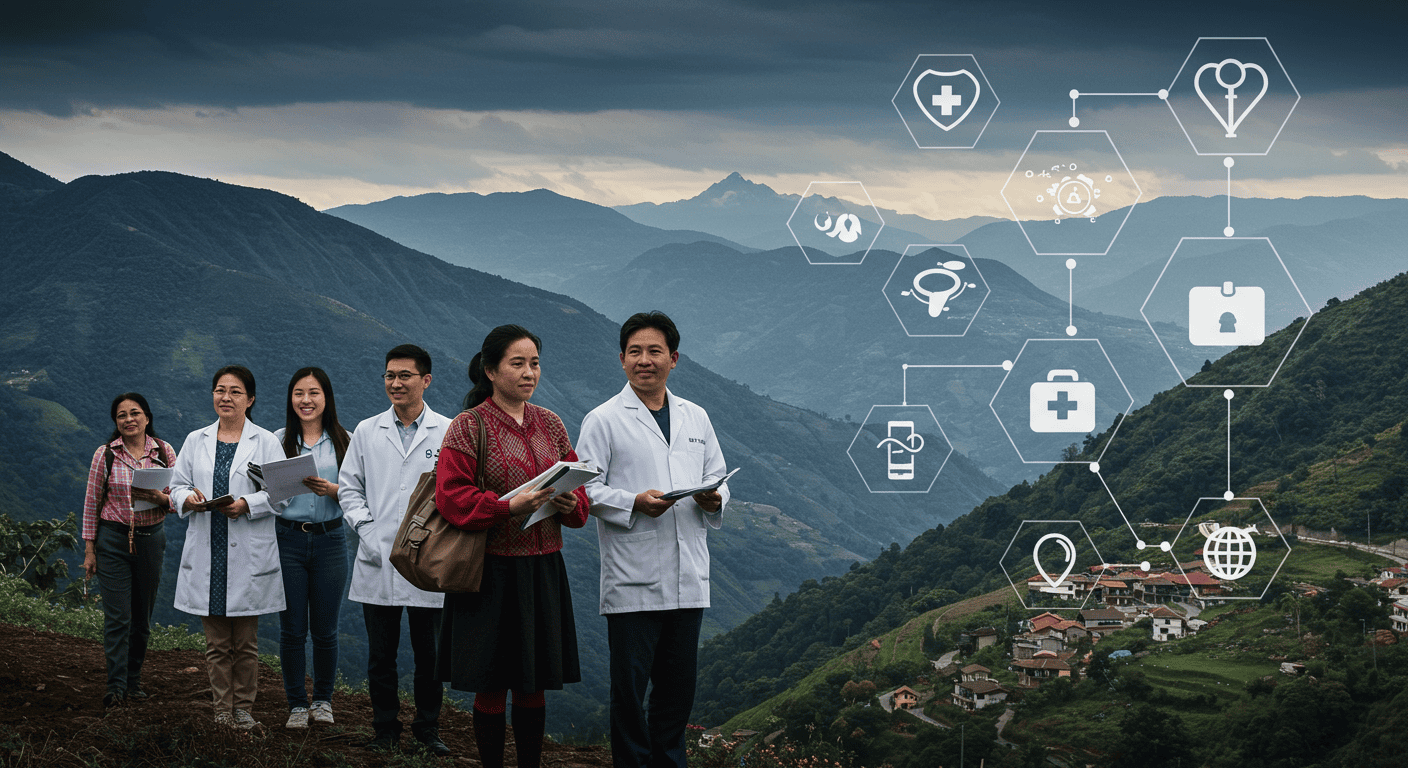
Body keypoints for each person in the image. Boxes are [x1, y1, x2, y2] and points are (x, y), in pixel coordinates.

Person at [576, 311, 731, 768]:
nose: (645, 360)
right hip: (633, 578)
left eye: (655, 351)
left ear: (674, 359)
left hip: (689, 575)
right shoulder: (603, 420)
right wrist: (633, 502)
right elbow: (584, 489)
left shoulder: (695, 416)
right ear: (622, 360)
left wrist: (713, 498)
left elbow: (718, 477)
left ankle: (670, 761)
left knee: (678, 686)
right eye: (635, 352)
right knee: (630, 688)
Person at [435, 325, 590, 768]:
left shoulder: (552, 423)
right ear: (490, 370)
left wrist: (568, 500)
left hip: (543, 567)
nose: (529, 373)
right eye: (517, 363)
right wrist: (507, 507)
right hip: (490, 571)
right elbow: (451, 496)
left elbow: (579, 499)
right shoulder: (469, 427)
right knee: (492, 682)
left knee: (533, 681)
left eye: (535, 363)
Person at [339, 344, 452, 755]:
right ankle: (385, 729)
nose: (396, 383)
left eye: (405, 375)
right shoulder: (368, 431)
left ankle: (428, 729)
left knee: (430, 655)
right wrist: (367, 530)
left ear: (426, 380)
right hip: (378, 554)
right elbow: (349, 489)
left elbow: (457, 493)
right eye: (389, 375)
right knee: (381, 656)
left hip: (429, 558)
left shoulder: (449, 430)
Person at [169, 365, 287, 730]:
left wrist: (247, 505)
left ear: (250, 399)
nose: (226, 397)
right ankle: (222, 708)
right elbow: (176, 485)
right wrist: (187, 498)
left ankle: (244, 709)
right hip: (209, 547)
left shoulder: (266, 442)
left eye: (235, 392)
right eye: (220, 390)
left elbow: (281, 496)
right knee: (217, 643)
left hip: (246, 550)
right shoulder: (196, 440)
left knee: (246, 644)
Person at [81, 392, 179, 709]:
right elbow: (92, 504)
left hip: (152, 538)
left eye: (135, 413)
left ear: (147, 417)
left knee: (142, 617)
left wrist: (159, 497)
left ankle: (133, 681)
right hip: (113, 539)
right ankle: (115, 686)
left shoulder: (164, 452)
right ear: (116, 423)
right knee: (118, 618)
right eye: (121, 415)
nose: (129, 419)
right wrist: (90, 551)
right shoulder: (105, 455)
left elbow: (180, 499)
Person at [272, 367, 352, 729]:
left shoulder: (346, 441)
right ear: (290, 399)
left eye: (314, 393)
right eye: (299, 393)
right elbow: (262, 492)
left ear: (326, 398)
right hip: (286, 538)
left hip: (330, 539)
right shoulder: (276, 441)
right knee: (291, 628)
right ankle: (296, 704)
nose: (306, 400)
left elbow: (360, 493)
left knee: (325, 628)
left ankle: (322, 700)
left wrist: (332, 489)